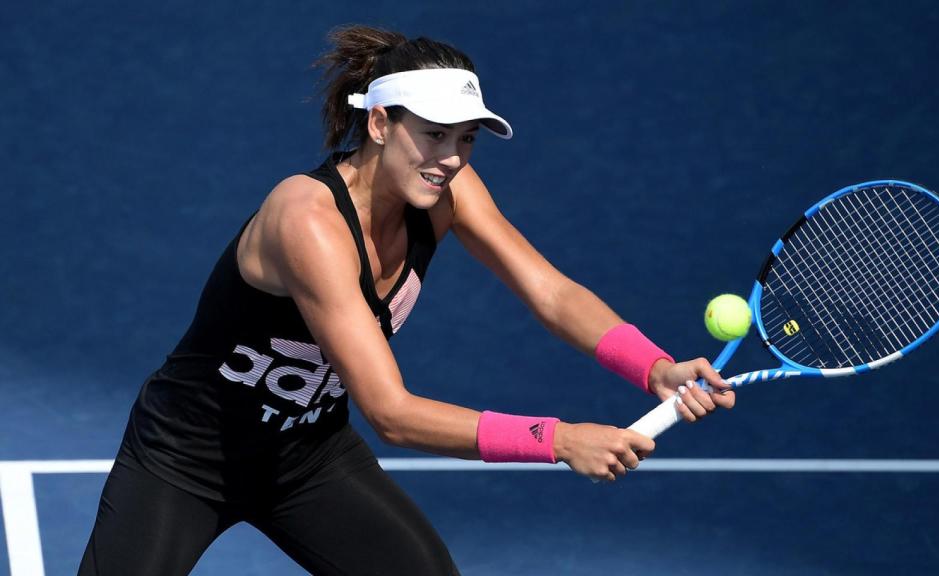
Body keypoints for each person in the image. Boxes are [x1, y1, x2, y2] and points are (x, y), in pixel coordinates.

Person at [78, 25, 735, 576]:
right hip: (186, 459)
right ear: (380, 123)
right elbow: (391, 414)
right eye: (435, 134)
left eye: (466, 138)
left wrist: (653, 367)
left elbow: (549, 289)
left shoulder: (449, 192)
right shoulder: (306, 220)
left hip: (307, 456)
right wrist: (558, 440)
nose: (451, 158)